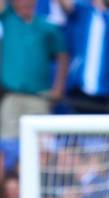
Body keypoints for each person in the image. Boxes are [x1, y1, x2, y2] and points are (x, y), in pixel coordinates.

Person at [0, 0, 68, 139]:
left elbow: (63, 55)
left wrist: (59, 88)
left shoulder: (47, 26)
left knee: (41, 146)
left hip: (39, 97)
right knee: (8, 145)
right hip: (10, 97)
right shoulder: (7, 20)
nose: (25, 3)